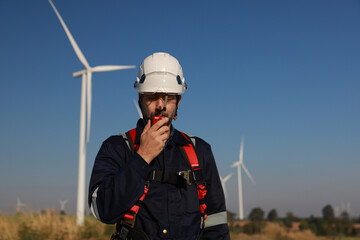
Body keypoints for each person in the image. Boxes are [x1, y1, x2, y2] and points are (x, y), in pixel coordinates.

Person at [88, 52, 230, 240]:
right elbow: (102, 211)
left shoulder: (199, 151)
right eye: (153, 96)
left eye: (169, 97)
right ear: (140, 98)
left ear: (179, 101)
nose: (160, 105)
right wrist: (142, 157)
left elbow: (216, 224)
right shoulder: (117, 148)